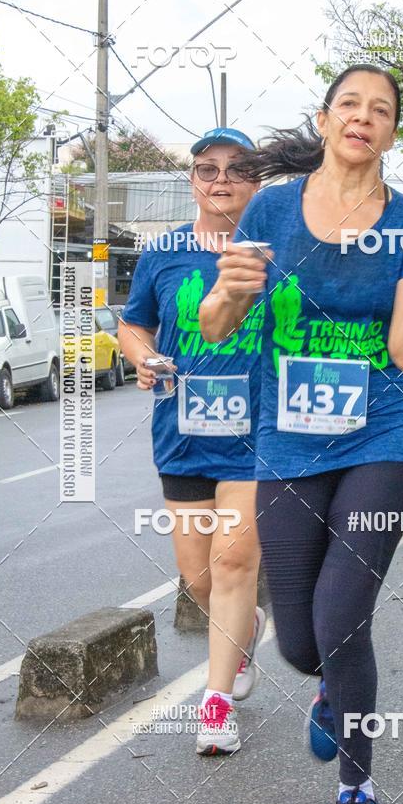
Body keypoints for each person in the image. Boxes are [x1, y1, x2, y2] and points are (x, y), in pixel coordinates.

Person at [199, 65, 403, 804]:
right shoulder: (274, 208)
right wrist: (232, 289)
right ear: (325, 121)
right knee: (300, 642)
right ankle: (328, 688)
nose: (363, 117)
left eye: (380, 110)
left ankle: (358, 792)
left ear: (388, 133)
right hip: (287, 441)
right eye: (349, 104)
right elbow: (218, 324)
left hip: (377, 437)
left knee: (344, 618)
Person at [118, 127, 265, 756]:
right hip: (183, 433)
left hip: (262, 435)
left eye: (236, 169)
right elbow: (132, 325)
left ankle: (215, 704)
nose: (221, 179)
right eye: (208, 169)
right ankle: (247, 628)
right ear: (193, 180)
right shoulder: (164, 252)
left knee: (234, 563)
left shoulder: (280, 248)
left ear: (256, 182)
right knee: (198, 578)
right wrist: (144, 357)